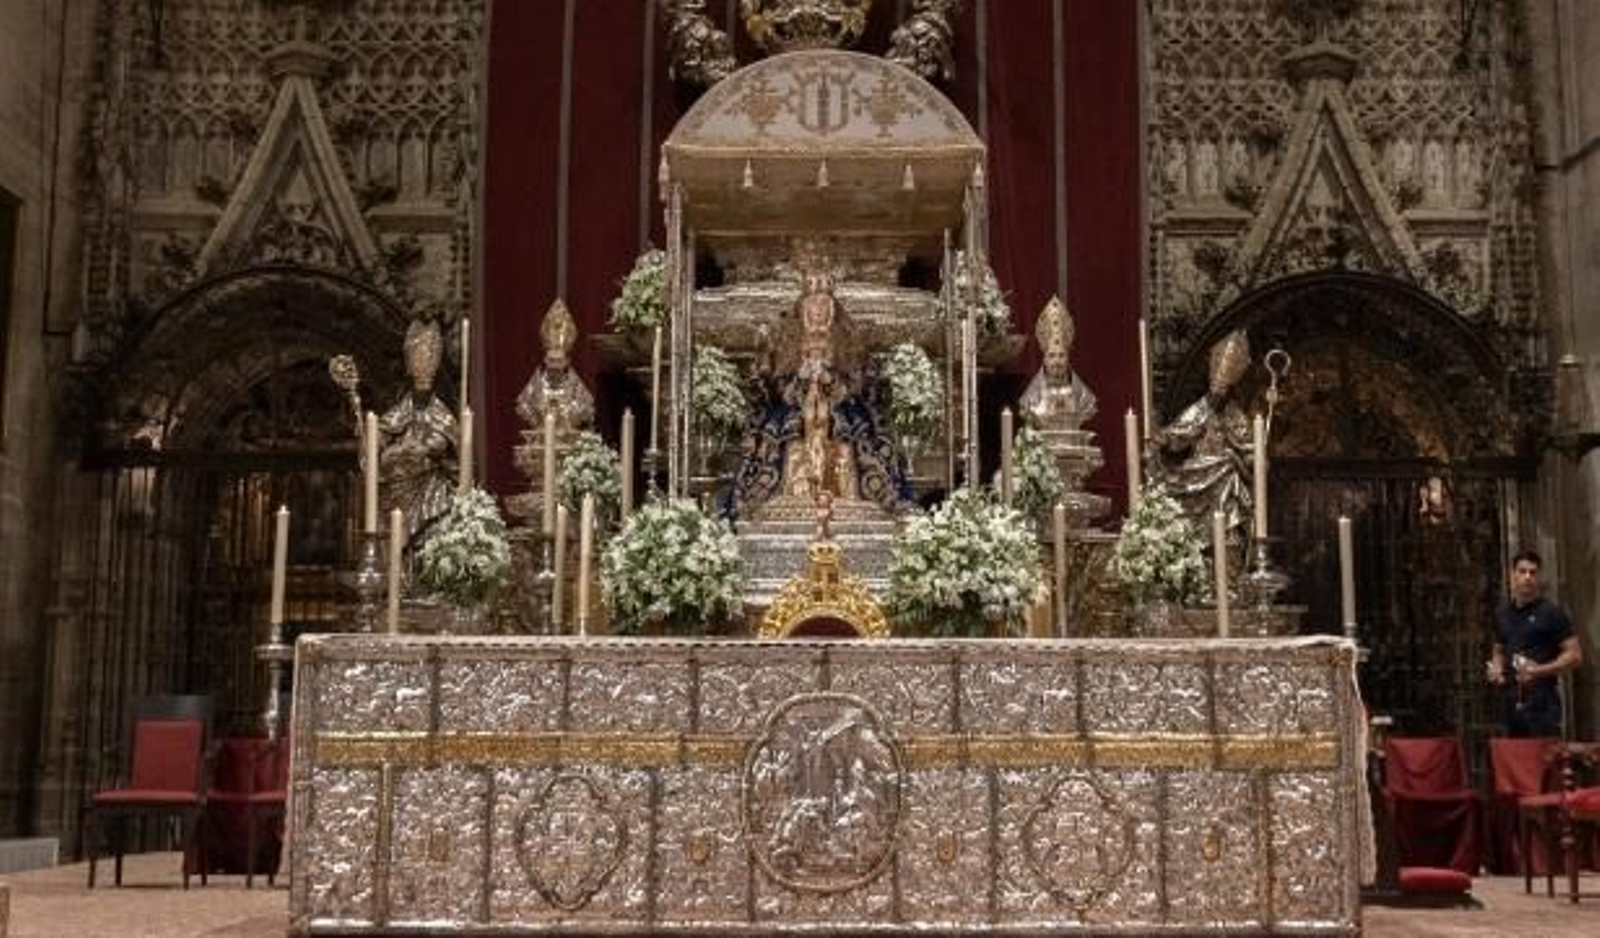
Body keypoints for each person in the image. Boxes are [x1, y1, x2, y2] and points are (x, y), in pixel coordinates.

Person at [1149, 329, 1253, 547]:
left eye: (1222, 386)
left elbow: (1251, 452)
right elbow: (1179, 433)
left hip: (1224, 474)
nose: (1218, 391)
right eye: (1216, 384)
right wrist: (1163, 439)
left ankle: (1227, 537)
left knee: (1228, 472)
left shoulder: (1236, 417)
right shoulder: (1199, 409)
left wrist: (1246, 459)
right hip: (1196, 474)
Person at [1486, 549, 1584, 738]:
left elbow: (1575, 656)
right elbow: (1498, 649)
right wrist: (1496, 668)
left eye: (1532, 572)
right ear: (1512, 574)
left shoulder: (1551, 613)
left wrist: (1538, 670)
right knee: (1514, 761)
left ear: (1538, 577)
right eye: (1522, 571)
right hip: (1509, 700)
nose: (1527, 577)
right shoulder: (1501, 614)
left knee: (1542, 761)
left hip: (1542, 702)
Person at [378, 318, 458, 543]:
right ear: (409, 364)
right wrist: (376, 438)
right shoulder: (397, 412)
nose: (423, 363)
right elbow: (381, 435)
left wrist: (429, 448)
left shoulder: (442, 414)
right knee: (396, 542)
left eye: (428, 357)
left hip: (431, 487)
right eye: (417, 357)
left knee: (434, 530)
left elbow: (452, 442)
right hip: (398, 490)